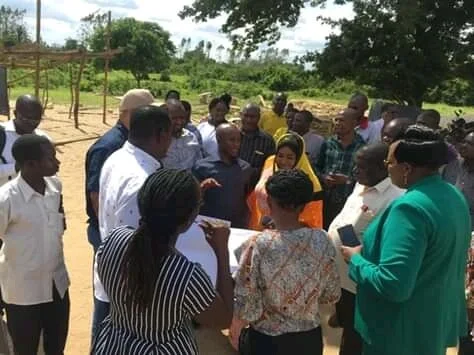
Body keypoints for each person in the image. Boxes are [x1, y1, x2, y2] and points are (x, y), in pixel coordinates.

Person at [341, 125, 471, 355]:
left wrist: (357, 260)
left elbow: (393, 285)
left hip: (398, 333)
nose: (386, 167)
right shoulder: (453, 196)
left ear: (407, 168)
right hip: (431, 323)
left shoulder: (409, 208)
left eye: (389, 162)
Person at [91, 169, 233, 354]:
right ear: (189, 219)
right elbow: (223, 319)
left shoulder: (114, 239)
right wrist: (222, 251)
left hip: (114, 345)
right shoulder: (186, 276)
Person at [229, 169, 340, 355]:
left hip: (267, 341)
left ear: (270, 202)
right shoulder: (322, 239)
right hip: (309, 340)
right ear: (304, 205)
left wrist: (235, 330)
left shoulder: (258, 244)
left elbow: (247, 305)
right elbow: (331, 294)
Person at [91, 105, 172, 341]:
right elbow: (134, 244)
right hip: (127, 291)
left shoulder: (117, 157)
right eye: (169, 135)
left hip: (110, 277)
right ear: (160, 134)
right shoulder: (142, 180)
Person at [328, 143, 404, 355]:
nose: (355, 171)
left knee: (355, 337)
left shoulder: (396, 198)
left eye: (361, 167)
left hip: (360, 282)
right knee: (346, 326)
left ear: (382, 168)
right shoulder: (360, 184)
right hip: (340, 276)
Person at [0, 135, 69, 355]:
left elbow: (59, 222)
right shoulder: (6, 199)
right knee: (26, 349)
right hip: (23, 293)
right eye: (51, 159)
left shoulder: (55, 187)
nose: (57, 163)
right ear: (31, 164)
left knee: (55, 347)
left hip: (56, 286)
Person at [85, 89, 155, 252]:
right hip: (108, 234)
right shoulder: (108, 146)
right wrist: (109, 238)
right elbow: (96, 195)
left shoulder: (132, 141)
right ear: (132, 113)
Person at [248, 132, 324, 231]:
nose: (283, 161)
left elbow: (311, 221)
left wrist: (277, 223)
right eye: (280, 155)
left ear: (299, 158)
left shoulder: (311, 186)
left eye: (290, 157)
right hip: (258, 227)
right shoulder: (270, 162)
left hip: (288, 237)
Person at [443, 131, 474, 355]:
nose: (464, 146)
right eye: (463, 141)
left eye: (470, 144)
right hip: (450, 233)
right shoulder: (453, 165)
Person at [192, 123, 252, 228]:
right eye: (232, 140)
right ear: (219, 140)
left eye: (238, 140)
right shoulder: (202, 167)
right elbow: (191, 199)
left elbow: (247, 197)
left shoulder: (245, 168)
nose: (236, 144)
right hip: (209, 227)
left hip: (237, 228)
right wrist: (203, 187)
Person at [316, 108, 365, 229]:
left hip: (348, 202)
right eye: (336, 120)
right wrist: (323, 177)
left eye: (342, 120)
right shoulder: (328, 143)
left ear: (354, 123)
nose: (337, 123)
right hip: (326, 200)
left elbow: (365, 177)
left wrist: (347, 180)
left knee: (343, 235)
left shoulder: (362, 148)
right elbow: (317, 167)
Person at [0, 95, 50, 186]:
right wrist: (16, 167)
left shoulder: (42, 139)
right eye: (27, 119)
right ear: (15, 114)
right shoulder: (2, 135)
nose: (32, 123)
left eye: (36, 119)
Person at [238, 103, 276, 182]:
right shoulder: (232, 136)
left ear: (259, 118)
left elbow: (270, 166)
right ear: (241, 115)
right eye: (246, 116)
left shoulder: (267, 140)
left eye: (252, 117)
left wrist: (252, 172)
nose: (248, 120)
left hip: (255, 186)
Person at [162, 99, 202, 170]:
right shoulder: (158, 141)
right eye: (174, 118)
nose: (179, 122)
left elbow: (199, 164)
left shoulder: (191, 137)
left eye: (182, 118)